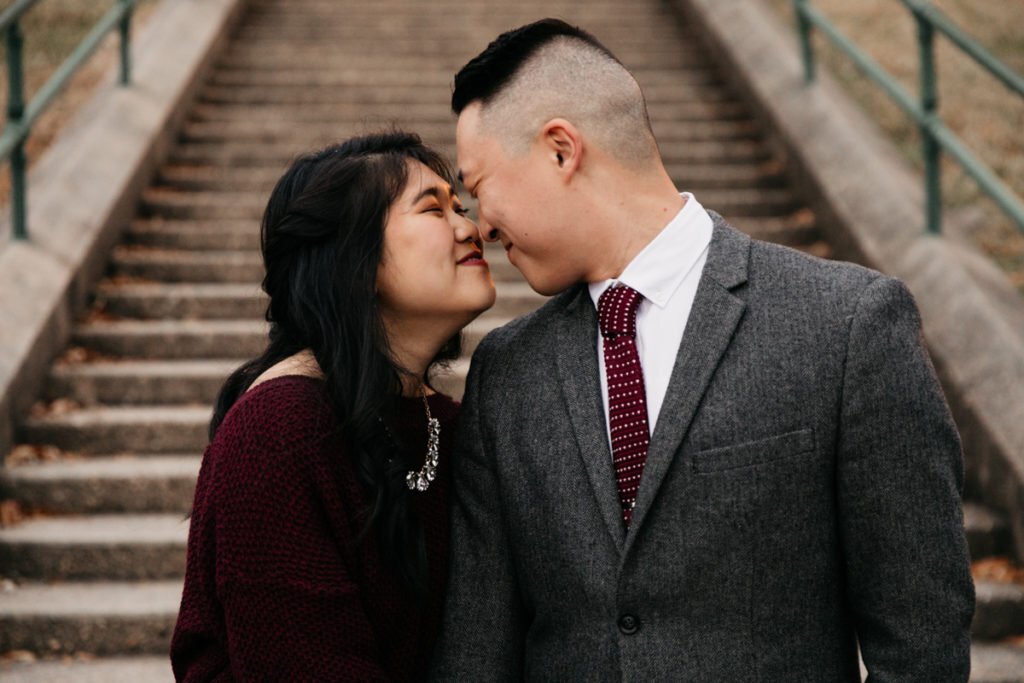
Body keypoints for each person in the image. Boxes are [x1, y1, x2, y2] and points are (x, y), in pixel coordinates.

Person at [432, 19, 975, 681]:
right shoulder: (505, 371)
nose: (479, 223)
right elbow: (477, 652)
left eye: (479, 183)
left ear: (559, 151)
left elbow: (921, 647)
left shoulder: (847, 324)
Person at [170, 132, 495, 681]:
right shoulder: (278, 432)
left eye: (460, 206)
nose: (472, 227)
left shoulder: (450, 422)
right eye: (433, 210)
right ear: (355, 260)